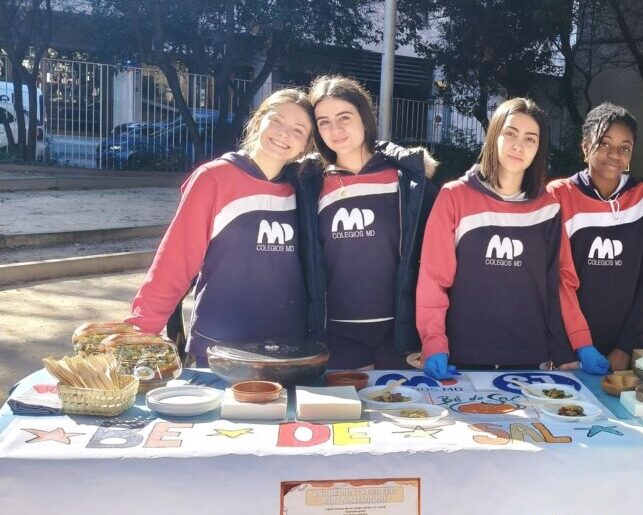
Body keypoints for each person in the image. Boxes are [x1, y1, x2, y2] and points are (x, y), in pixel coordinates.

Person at [126, 89, 319, 365]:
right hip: (220, 347)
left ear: (306, 145)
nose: (284, 134)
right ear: (258, 121)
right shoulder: (214, 178)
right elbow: (175, 262)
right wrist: (140, 330)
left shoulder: (303, 188)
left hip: (288, 349)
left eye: (298, 130)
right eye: (276, 120)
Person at [416, 97, 574, 378]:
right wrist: (433, 341)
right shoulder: (454, 196)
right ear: (494, 136)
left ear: (539, 148)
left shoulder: (549, 207)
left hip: (530, 357)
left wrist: (568, 349)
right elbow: (433, 280)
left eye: (530, 139)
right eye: (510, 133)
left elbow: (556, 285)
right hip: (463, 356)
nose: (518, 146)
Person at [293, 76, 439, 370]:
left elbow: (437, 263)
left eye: (344, 117)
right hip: (336, 339)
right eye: (323, 122)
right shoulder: (308, 183)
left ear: (364, 116)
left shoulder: (408, 181)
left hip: (400, 339)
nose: (335, 130)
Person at [550, 102, 643, 374]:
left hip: (625, 349)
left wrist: (626, 347)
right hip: (567, 350)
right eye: (604, 144)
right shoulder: (559, 195)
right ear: (585, 146)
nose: (614, 154)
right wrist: (567, 348)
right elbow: (554, 280)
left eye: (625, 148)